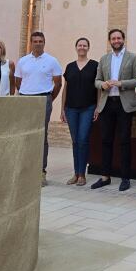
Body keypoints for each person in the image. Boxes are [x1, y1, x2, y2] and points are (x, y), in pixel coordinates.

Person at [91, 28, 136, 191]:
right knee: (106, 140)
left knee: (125, 141)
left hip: (124, 104)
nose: (116, 41)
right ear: (110, 41)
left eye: (118, 38)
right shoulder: (104, 59)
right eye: (113, 38)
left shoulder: (133, 57)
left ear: (123, 39)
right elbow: (96, 80)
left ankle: (125, 178)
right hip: (107, 104)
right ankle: (105, 176)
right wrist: (103, 84)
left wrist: (121, 83)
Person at [16, 31, 63, 186]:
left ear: (44, 42)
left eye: (40, 41)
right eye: (35, 41)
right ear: (31, 43)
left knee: (42, 136)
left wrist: (48, 98)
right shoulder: (23, 61)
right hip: (25, 99)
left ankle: (41, 172)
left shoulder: (52, 61)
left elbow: (58, 83)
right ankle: (25, 170)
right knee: (24, 135)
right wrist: (26, 94)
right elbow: (18, 81)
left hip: (44, 98)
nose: (38, 43)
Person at [61, 37, 98, 186]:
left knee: (83, 139)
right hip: (71, 109)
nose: (82, 47)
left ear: (88, 48)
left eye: (84, 45)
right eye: (79, 45)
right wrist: (62, 109)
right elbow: (65, 88)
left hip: (88, 108)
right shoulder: (70, 67)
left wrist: (97, 107)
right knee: (75, 141)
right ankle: (75, 173)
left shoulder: (95, 65)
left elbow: (98, 89)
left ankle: (82, 174)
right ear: (76, 47)